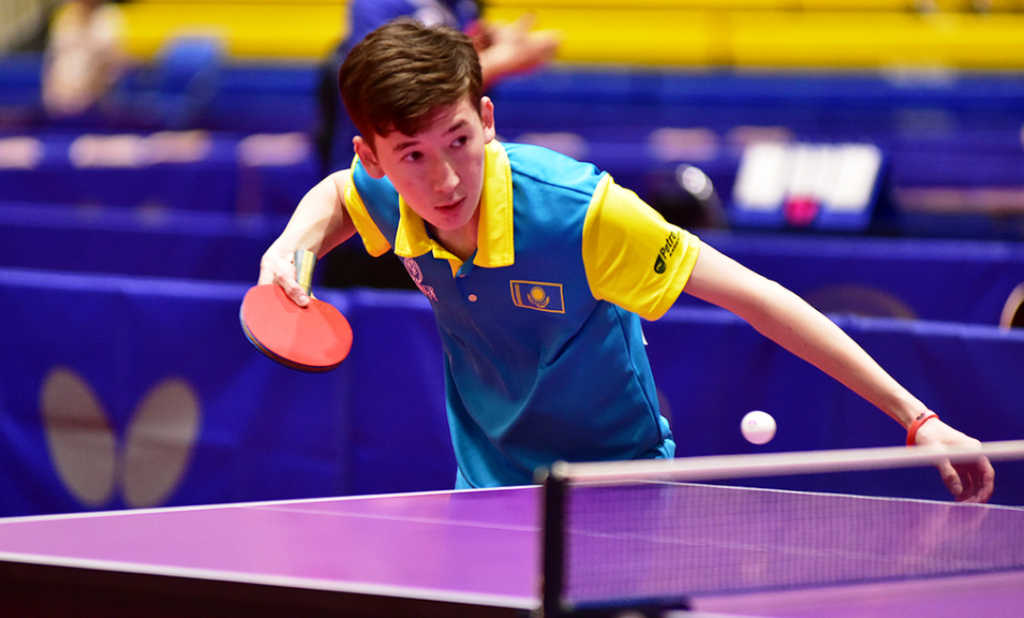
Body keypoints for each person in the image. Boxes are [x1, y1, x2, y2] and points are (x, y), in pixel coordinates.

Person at [259, 19, 994, 502]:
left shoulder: (584, 215)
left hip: (619, 489)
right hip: (487, 488)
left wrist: (917, 418)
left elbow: (758, 296)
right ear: (375, 158)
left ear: (486, 119)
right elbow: (338, 195)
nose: (445, 180)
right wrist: (292, 247)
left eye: (458, 140)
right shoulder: (389, 190)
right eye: (413, 156)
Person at [317, 0, 559, 175]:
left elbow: (449, 68)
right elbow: (395, 89)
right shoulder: (379, 4)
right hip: (381, 177)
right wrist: (497, 61)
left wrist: (484, 44)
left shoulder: (460, 6)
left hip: (444, 171)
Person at [41, 0, 127, 121]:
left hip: (95, 103)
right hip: (60, 102)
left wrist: (86, 94)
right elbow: (53, 59)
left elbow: (112, 62)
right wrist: (53, 94)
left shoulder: (109, 17)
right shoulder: (64, 17)